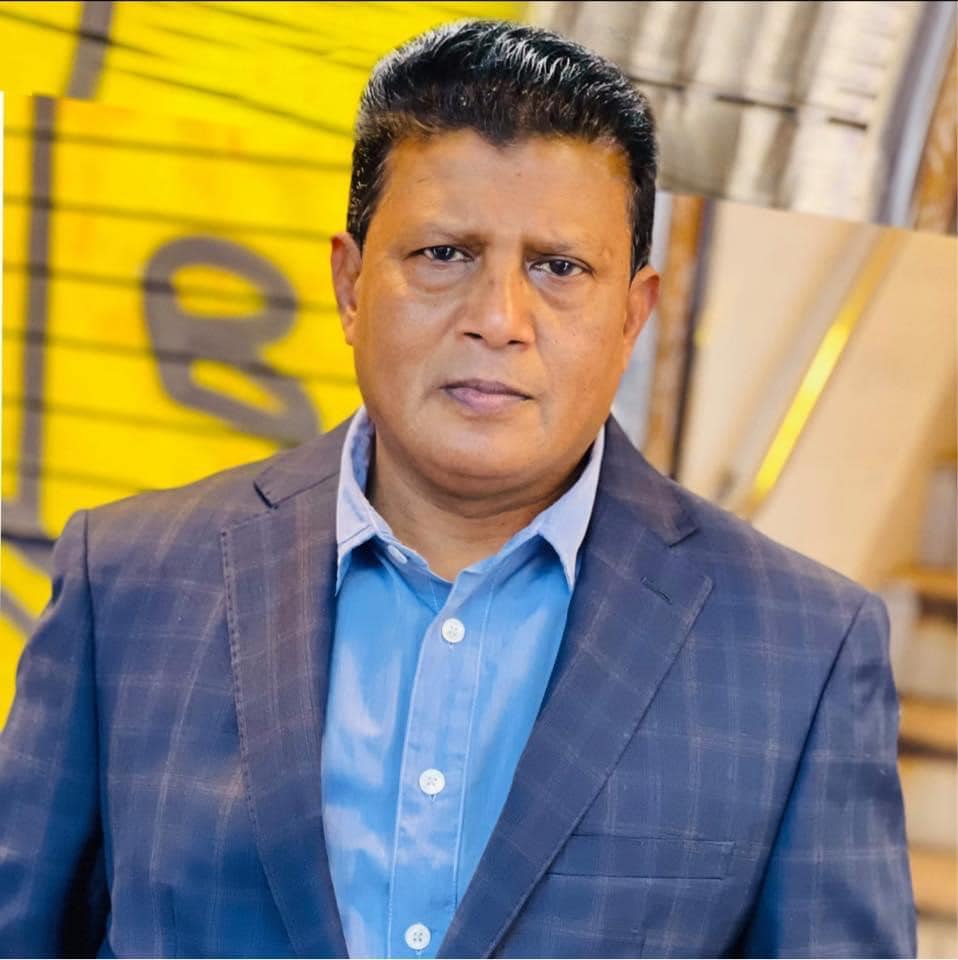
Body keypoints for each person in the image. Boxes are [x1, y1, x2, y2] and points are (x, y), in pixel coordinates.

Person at [0, 19, 915, 959]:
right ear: (351, 284)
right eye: (444, 254)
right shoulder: (130, 582)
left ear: (633, 316)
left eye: (559, 268)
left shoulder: (801, 652)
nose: (498, 318)